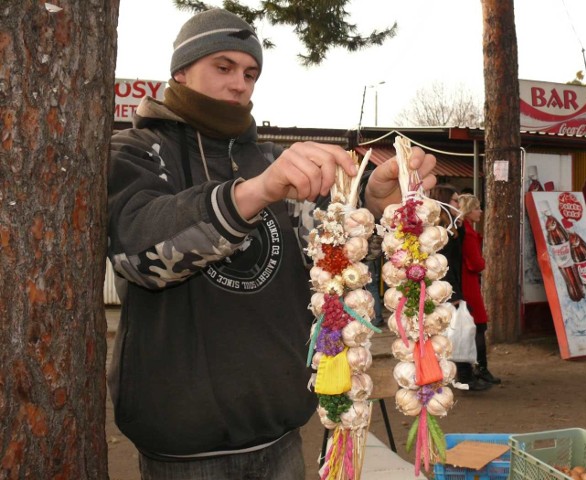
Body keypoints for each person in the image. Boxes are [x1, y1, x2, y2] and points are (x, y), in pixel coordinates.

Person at [107, 8, 437, 479]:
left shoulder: (268, 158)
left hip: (281, 435)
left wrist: (372, 200)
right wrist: (254, 192)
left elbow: (333, 256)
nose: (240, 83)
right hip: (183, 449)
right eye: (223, 67)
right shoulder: (138, 151)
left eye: (250, 73)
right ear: (181, 70)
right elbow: (139, 255)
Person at [430, 185, 491, 391]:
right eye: (455, 200)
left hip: (454, 287)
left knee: (461, 330)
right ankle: (463, 375)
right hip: (449, 289)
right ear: (445, 203)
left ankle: (463, 374)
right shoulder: (440, 232)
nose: (459, 204)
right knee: (461, 331)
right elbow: (445, 264)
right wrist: (454, 293)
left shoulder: (457, 229)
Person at [457, 194, 501, 386]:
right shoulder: (468, 233)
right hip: (469, 284)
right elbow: (476, 263)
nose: (480, 211)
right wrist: (482, 262)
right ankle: (480, 368)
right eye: (477, 208)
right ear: (468, 210)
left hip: (465, 282)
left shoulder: (463, 231)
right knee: (478, 326)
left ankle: (475, 368)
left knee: (472, 327)